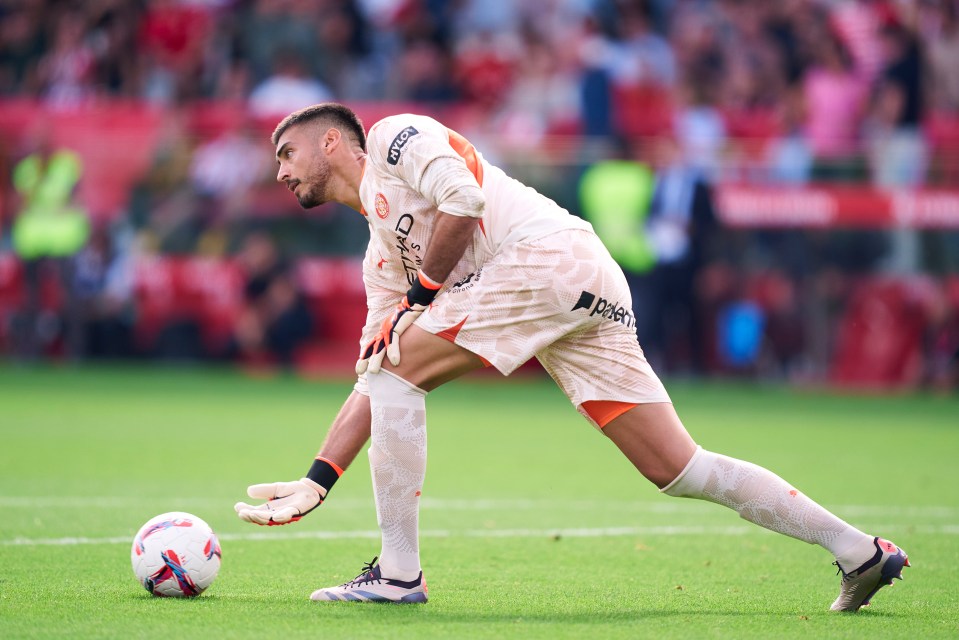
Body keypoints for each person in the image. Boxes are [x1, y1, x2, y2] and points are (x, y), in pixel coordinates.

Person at [234, 103, 909, 610]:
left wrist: (422, 296)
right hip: (579, 285)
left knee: (402, 362)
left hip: (545, 261)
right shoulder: (380, 259)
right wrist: (318, 476)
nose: (280, 169)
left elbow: (463, 202)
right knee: (676, 468)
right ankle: (859, 552)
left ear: (331, 141)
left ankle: (398, 573)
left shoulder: (394, 137)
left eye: (286, 152)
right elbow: (375, 375)